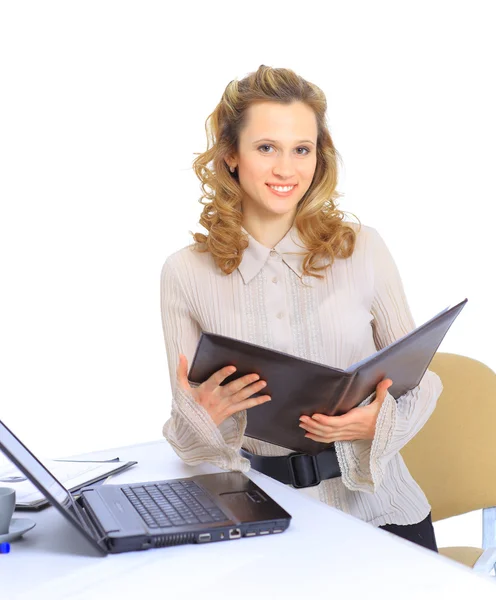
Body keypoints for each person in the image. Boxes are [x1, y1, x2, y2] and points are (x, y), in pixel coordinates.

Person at [160, 64, 442, 553]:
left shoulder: (364, 249)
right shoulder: (186, 273)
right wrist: (201, 418)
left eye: (301, 149)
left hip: (384, 515)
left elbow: (424, 382)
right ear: (231, 154)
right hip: (262, 523)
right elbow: (188, 437)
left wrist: (380, 422)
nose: (286, 170)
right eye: (266, 147)